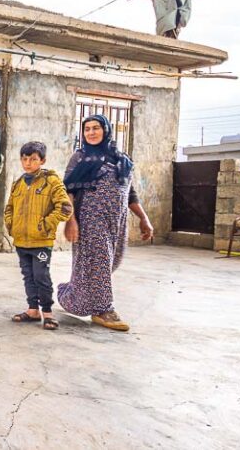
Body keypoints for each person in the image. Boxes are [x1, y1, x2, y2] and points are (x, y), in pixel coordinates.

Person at [57, 115, 154, 332]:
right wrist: (70, 221)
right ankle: (104, 311)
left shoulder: (122, 159)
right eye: (87, 129)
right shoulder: (80, 158)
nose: (91, 132)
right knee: (99, 263)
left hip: (117, 222)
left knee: (109, 263)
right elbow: (68, 191)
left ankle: (70, 294)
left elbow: (131, 193)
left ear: (106, 130)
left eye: (96, 128)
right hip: (91, 220)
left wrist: (144, 218)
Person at [5, 141, 73, 331]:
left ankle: (48, 313)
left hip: (41, 241)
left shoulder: (51, 181)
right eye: (25, 159)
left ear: (42, 160)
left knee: (41, 275)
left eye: (33, 159)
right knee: (28, 275)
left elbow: (65, 207)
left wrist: (45, 225)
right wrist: (11, 226)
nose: (28, 163)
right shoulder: (18, 183)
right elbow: (9, 208)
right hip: (21, 240)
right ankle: (32, 310)